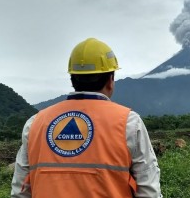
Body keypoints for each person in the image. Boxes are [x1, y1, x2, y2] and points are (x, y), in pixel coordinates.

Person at [11, 38, 162, 197]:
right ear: (111, 80)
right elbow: (149, 190)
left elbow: (20, 191)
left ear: (72, 79)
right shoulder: (129, 122)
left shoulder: (35, 123)